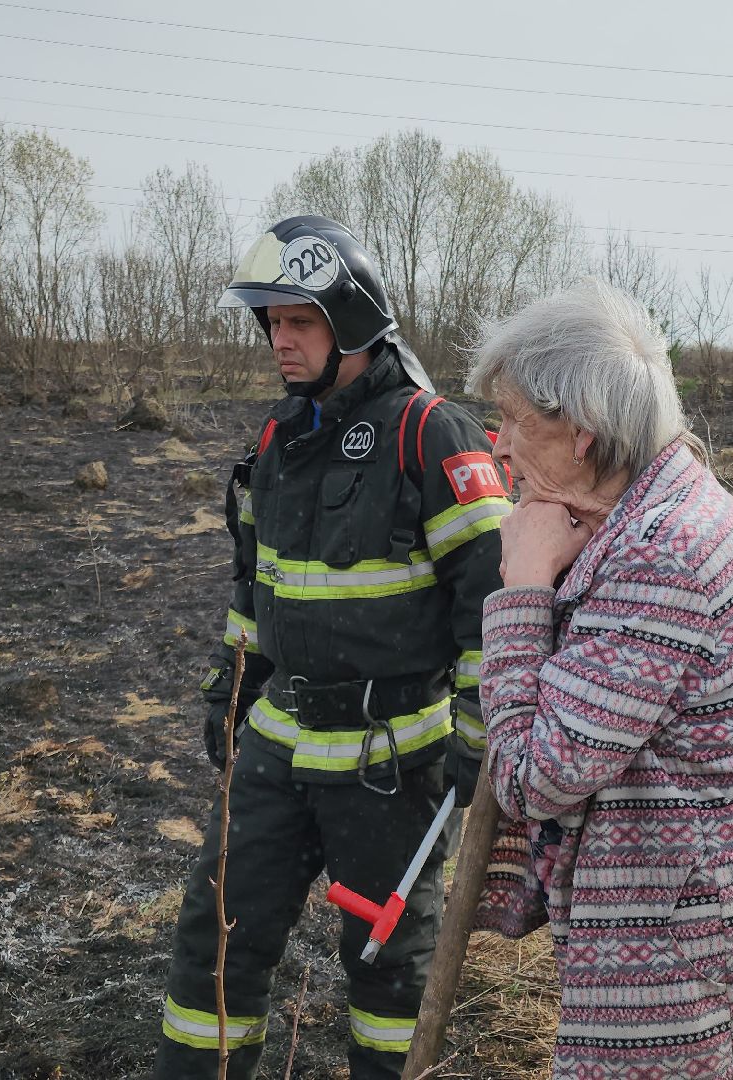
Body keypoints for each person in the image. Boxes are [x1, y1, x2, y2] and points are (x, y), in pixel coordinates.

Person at [153, 216, 509, 1080]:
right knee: (215, 941)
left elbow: (498, 602)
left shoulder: (433, 436)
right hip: (278, 746)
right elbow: (255, 588)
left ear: (350, 322)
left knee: (390, 981)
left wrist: (480, 729)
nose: (280, 340)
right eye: (272, 322)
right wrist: (229, 685)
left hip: (393, 761)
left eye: (299, 321)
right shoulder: (277, 441)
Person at [468, 279, 733, 1080]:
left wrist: (523, 587)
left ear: (583, 433)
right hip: (725, 939)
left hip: (688, 984)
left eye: (517, 421)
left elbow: (533, 777)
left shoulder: (662, 559)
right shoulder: (663, 511)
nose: (497, 445)